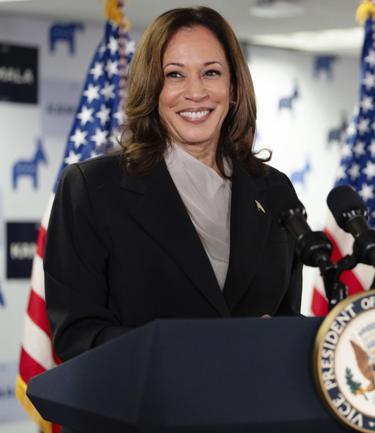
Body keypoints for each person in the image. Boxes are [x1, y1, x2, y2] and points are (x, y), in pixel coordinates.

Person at [45, 6, 302, 371]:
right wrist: (198, 348)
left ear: (232, 87)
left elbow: (286, 317)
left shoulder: (273, 188)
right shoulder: (92, 188)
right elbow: (77, 335)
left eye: (211, 73)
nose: (195, 92)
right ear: (152, 88)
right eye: (174, 75)